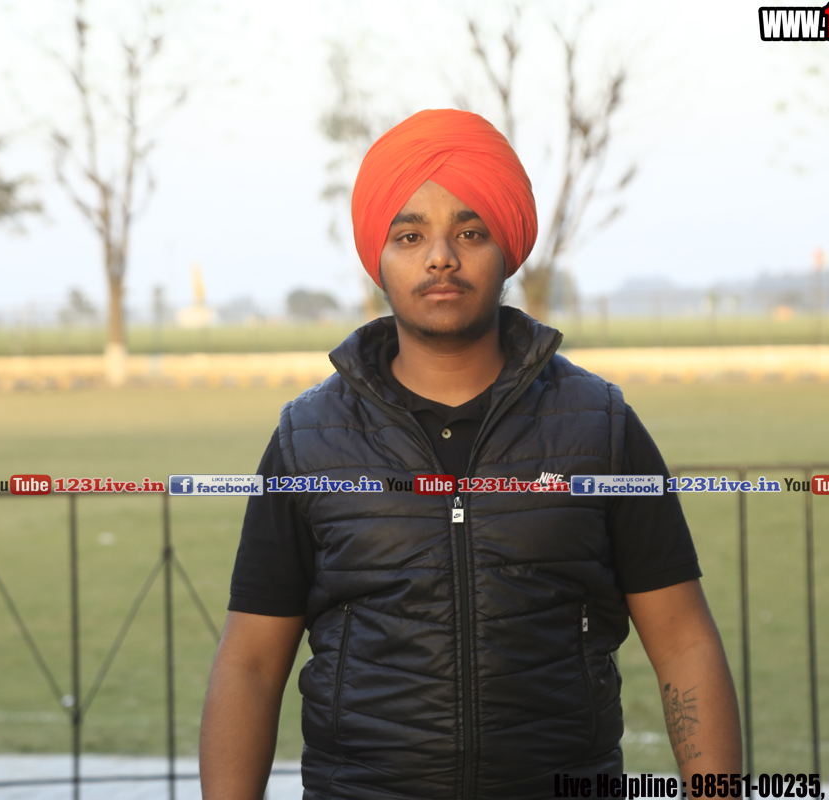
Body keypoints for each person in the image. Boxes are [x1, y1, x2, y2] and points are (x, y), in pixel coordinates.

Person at [200, 109, 741, 800]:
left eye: (470, 232)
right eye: (410, 235)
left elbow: (685, 643)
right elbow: (249, 662)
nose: (440, 258)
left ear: (507, 249)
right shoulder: (308, 440)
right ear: (378, 258)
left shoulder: (600, 428)